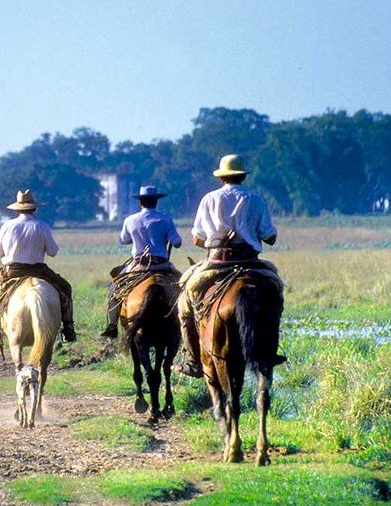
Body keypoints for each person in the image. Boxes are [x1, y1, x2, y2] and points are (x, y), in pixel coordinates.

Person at [175, 154, 285, 377]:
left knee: (185, 304)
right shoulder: (255, 199)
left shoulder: (209, 199)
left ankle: (193, 360)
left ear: (221, 178)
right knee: (276, 291)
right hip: (250, 261)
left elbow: (197, 238)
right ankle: (269, 352)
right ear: (243, 176)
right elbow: (270, 237)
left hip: (217, 261)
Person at [0, 190, 76, 346]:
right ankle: (68, 328)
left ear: (17, 209)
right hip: (39, 271)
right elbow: (53, 252)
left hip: (12, 271)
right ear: (34, 209)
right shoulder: (42, 226)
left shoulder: (7, 226)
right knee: (65, 289)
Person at [99, 185, 182, 339]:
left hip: (137, 266)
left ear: (140, 202)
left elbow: (123, 240)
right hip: (162, 265)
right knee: (184, 285)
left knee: (113, 289)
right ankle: (184, 322)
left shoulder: (130, 220)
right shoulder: (165, 218)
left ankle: (112, 326)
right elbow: (177, 242)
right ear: (156, 201)